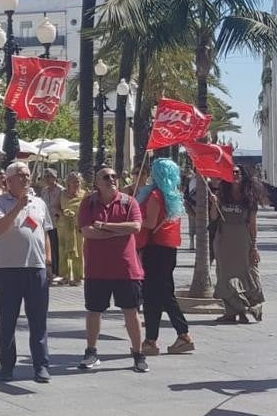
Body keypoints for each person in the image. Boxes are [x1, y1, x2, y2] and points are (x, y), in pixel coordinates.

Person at [78, 165, 148, 373]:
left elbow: (135, 227)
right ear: (97, 183)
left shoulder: (129, 202)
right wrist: (118, 230)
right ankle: (91, 351)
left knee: (131, 311)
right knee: (94, 311)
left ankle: (138, 354)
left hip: (126, 269)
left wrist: (104, 225)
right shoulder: (88, 203)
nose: (111, 180)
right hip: (97, 269)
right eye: (106, 177)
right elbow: (86, 231)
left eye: (114, 176)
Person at [0, 161, 52, 382]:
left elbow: (44, 233)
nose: (26, 178)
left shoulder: (40, 203)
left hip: (35, 268)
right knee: (7, 322)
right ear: (9, 179)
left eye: (27, 175)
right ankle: (6, 366)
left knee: (38, 321)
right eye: (21, 175)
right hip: (9, 270)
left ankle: (41, 365)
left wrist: (48, 262)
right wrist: (17, 207)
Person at [136, 158, 194, 356]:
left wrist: (133, 220)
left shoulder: (155, 195)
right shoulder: (173, 196)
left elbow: (150, 223)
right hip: (168, 249)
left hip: (155, 250)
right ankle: (152, 340)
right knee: (158, 294)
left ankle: (180, 335)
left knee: (158, 295)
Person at [214, 166, 265, 324]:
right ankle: (231, 312)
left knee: (246, 274)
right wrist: (214, 203)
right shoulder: (222, 194)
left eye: (238, 173)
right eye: (232, 173)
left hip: (242, 240)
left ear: (244, 176)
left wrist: (254, 246)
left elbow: (252, 224)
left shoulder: (249, 198)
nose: (235, 175)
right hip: (224, 239)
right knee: (224, 275)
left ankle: (249, 309)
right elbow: (213, 217)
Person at [56, 173, 85, 286]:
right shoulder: (62, 194)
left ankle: (78, 277)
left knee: (78, 251)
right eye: (73, 181)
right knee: (63, 251)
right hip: (63, 226)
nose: (76, 183)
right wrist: (61, 213)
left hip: (77, 227)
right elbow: (56, 207)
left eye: (78, 181)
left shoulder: (84, 194)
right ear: (68, 183)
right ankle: (65, 276)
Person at [41, 169, 65, 284]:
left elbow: (64, 206)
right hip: (46, 223)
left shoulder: (61, 190)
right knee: (48, 248)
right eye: (45, 176)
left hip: (57, 223)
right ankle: (51, 271)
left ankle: (57, 271)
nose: (47, 179)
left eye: (49, 176)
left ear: (55, 177)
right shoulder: (44, 191)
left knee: (56, 248)